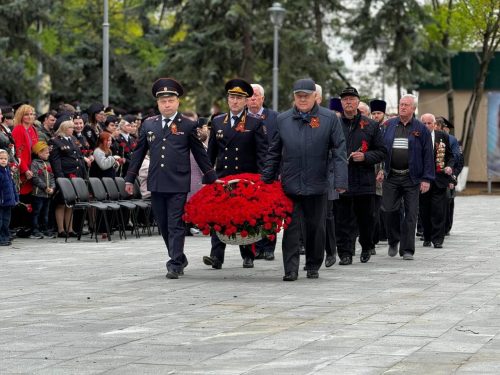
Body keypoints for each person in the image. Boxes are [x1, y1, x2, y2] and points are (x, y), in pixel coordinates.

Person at [125, 77, 218, 279]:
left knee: (175, 222)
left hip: (178, 182)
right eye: (162, 101)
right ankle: (178, 256)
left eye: (170, 101)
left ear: (177, 102)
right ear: (158, 103)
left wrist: (211, 176)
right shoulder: (149, 125)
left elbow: (200, 153)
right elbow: (138, 153)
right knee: (163, 224)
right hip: (157, 182)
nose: (167, 105)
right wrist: (129, 178)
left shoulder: (187, 125)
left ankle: (175, 263)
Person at [262, 78, 348, 281]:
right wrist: (266, 181)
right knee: (291, 228)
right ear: (294, 97)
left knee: (316, 228)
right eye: (298, 95)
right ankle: (290, 269)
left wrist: (341, 182)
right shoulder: (282, 120)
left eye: (306, 95)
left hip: (317, 183)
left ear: (315, 97)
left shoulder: (329, 119)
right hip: (290, 184)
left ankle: (312, 264)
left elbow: (339, 151)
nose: (302, 99)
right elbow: (273, 152)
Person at [202, 78, 268, 270]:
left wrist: (263, 179)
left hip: (246, 179)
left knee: (245, 216)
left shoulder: (255, 123)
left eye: (239, 98)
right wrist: (208, 177)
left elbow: (262, 154)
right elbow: (211, 153)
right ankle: (217, 256)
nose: (235, 101)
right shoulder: (217, 121)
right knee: (219, 216)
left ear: (246, 101)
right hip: (222, 178)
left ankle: (248, 254)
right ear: (227, 99)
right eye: (232, 97)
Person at [335, 87, 387, 265]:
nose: (348, 102)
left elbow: (381, 152)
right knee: (343, 220)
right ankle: (345, 253)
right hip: (342, 179)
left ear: (358, 102)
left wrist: (365, 157)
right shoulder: (335, 124)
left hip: (364, 179)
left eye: (351, 99)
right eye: (345, 99)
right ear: (341, 103)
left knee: (366, 218)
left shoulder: (370, 125)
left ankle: (366, 246)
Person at [382, 94, 434, 260]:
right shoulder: (388, 125)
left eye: (406, 105)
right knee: (389, 210)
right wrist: (380, 169)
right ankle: (393, 240)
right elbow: (381, 149)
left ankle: (407, 250)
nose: (402, 107)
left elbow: (428, 155)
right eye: (401, 104)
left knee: (411, 214)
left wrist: (426, 179)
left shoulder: (421, 129)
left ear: (413, 108)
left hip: (412, 178)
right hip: (391, 175)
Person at [247, 83, 279, 261]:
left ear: (262, 98)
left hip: (270, 171)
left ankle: (269, 247)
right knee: (252, 211)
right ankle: (255, 247)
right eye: (249, 96)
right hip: (248, 172)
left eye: (256, 95)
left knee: (270, 210)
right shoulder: (241, 118)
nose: (252, 98)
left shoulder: (275, 118)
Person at [419, 114, 454, 248]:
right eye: (424, 123)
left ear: (435, 124)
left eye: (429, 123)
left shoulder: (442, 136)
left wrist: (450, 166)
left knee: (438, 210)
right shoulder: (416, 135)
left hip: (439, 179)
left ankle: (438, 239)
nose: (427, 126)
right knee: (424, 210)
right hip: (423, 180)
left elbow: (450, 155)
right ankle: (427, 235)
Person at [49, 119, 87, 237]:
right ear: (64, 129)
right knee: (61, 203)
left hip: (76, 174)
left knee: (71, 202)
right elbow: (55, 161)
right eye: (71, 127)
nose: (73, 129)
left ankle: (70, 229)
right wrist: (60, 177)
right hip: (65, 175)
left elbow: (78, 157)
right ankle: (61, 229)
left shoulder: (74, 139)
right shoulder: (56, 141)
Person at [436, 116, 463, 235]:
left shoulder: (452, 140)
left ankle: (445, 227)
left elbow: (458, 159)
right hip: (433, 176)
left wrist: (453, 176)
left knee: (447, 202)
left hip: (447, 175)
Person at [370, 99, 388, 246]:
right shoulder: (368, 127)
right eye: (374, 113)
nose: (376, 116)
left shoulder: (388, 128)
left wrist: (383, 169)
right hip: (370, 170)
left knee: (385, 206)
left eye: (378, 113)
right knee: (373, 208)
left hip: (385, 170)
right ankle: (373, 238)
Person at [30, 141, 56, 239]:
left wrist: (52, 188)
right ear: (39, 153)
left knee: (45, 212)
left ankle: (44, 229)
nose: (48, 154)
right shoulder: (35, 163)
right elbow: (35, 178)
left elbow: (52, 177)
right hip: (38, 193)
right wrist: (45, 187)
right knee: (37, 212)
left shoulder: (48, 163)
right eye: (46, 153)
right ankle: (35, 230)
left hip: (47, 194)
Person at [0, 149, 18, 246]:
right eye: (1, 158)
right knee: (0, 220)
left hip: (8, 201)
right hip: (1, 201)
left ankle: (5, 236)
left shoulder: (7, 171)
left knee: (6, 221)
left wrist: (15, 198)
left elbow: (12, 185)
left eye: (5, 159)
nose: (3, 160)